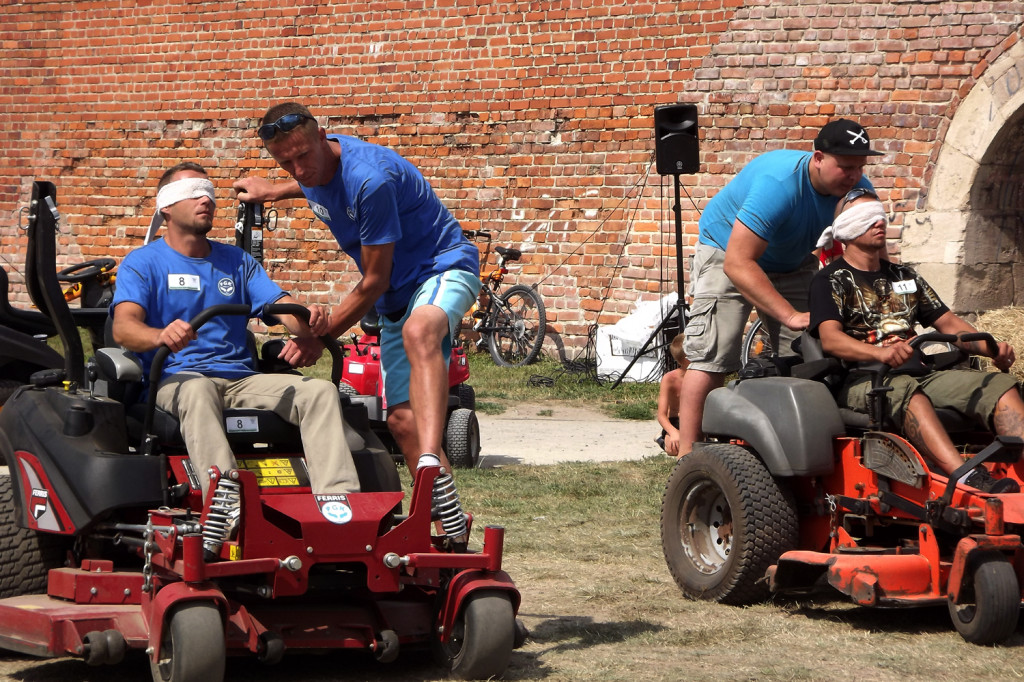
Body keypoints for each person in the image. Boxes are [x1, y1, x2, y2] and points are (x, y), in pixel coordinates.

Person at [233, 103, 480, 540]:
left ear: (323, 136)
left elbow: (373, 280)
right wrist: (274, 189)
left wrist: (318, 335)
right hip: (395, 296)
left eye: (303, 156)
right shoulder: (312, 168)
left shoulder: (370, 180)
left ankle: (427, 466)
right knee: (403, 423)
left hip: (442, 268)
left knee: (419, 329)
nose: (299, 168)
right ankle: (448, 529)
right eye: (285, 162)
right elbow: (313, 183)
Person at [112, 162, 362, 507]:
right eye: (194, 193)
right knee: (198, 389)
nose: (206, 200)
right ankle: (226, 504)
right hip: (177, 379)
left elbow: (284, 308)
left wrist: (309, 321)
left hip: (241, 379)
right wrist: (159, 336)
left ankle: (339, 503)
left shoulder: (237, 261)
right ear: (166, 206)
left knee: (318, 391)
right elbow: (123, 328)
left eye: (210, 193)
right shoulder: (142, 263)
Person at [676, 118, 883, 457]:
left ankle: (789, 444)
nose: (854, 175)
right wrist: (788, 315)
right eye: (845, 166)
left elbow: (873, 249)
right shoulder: (780, 183)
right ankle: (689, 456)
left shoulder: (857, 190)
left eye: (860, 166)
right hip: (727, 249)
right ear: (818, 158)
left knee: (807, 355)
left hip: (791, 258)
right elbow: (738, 262)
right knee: (714, 353)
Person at [808, 188, 1023, 493]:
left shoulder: (904, 276)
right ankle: (967, 478)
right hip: (866, 379)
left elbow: (948, 323)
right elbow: (830, 340)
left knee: (1000, 387)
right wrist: (879, 353)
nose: (879, 222)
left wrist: (991, 348)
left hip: (922, 371)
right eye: (867, 218)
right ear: (846, 229)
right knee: (909, 393)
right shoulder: (829, 280)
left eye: (880, 216)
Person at [656, 335, 689, 455]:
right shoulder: (669, 378)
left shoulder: (702, 377)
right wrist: (673, 432)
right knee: (674, 449)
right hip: (676, 421)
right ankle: (661, 439)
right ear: (684, 360)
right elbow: (661, 415)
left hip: (695, 420)